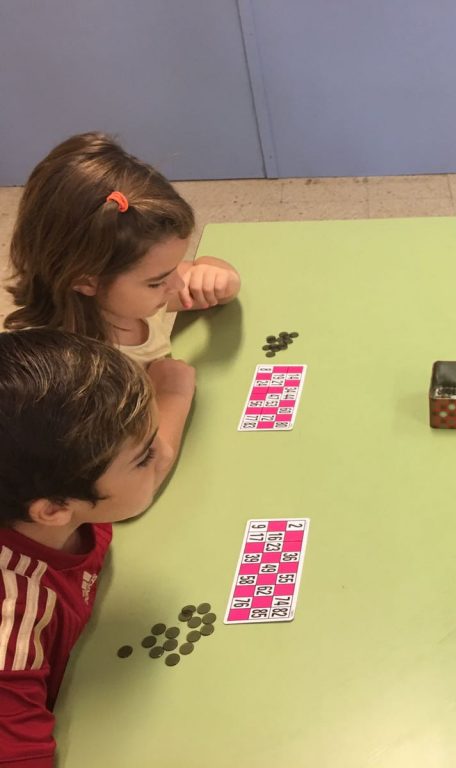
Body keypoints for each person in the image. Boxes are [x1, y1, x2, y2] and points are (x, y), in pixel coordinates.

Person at [0, 329, 195, 765]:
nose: (161, 452)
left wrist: (173, 393)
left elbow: (143, 466)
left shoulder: (57, 495)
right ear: (54, 510)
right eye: (143, 457)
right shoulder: (15, 619)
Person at [4, 131, 241, 367]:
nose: (178, 285)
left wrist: (218, 279)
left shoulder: (130, 301)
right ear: (86, 281)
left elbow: (202, 279)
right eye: (157, 282)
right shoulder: (75, 369)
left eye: (174, 269)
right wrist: (171, 388)